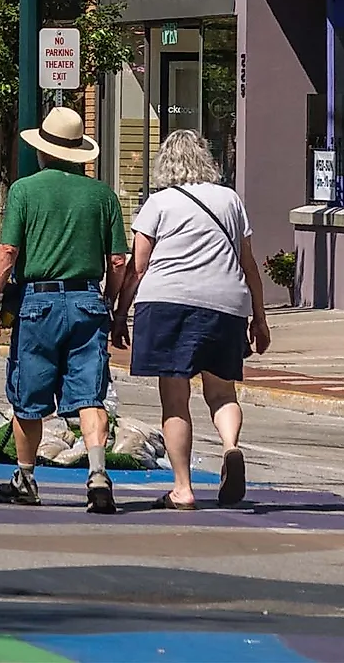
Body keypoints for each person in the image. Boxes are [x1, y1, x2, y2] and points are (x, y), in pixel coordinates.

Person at [0, 105, 131, 516]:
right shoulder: (103, 196)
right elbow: (119, 261)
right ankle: (98, 474)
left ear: (43, 151)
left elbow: (8, 252)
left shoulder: (24, 191)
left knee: (28, 396)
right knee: (89, 395)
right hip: (87, 301)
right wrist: (114, 309)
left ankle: (26, 478)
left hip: (38, 303)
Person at [114, 130, 270, 510]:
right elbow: (248, 264)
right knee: (221, 392)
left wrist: (120, 315)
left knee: (175, 399)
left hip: (168, 302)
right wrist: (259, 319)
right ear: (206, 159)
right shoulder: (230, 200)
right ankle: (231, 446)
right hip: (226, 303)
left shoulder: (158, 203)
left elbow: (138, 266)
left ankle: (182, 489)